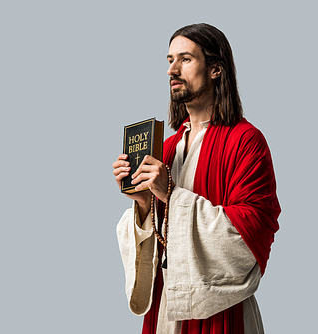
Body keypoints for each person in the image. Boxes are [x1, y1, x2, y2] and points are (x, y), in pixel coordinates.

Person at [112, 23, 280, 334]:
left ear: (216, 70)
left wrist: (170, 194)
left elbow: (252, 229)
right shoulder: (166, 148)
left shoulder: (246, 141)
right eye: (169, 60)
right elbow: (160, 241)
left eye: (185, 59)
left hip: (220, 313)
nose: (172, 70)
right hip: (168, 306)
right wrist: (144, 204)